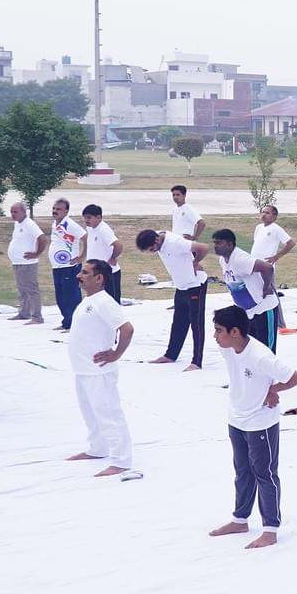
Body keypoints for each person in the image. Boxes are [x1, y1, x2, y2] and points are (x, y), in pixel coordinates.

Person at [207, 306, 297, 549]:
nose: (215, 336)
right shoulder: (228, 347)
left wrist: (273, 390)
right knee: (242, 471)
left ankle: (270, 528)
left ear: (235, 332)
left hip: (260, 422)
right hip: (236, 418)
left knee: (265, 474)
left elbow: (294, 377)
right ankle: (240, 519)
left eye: (219, 331)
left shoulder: (260, 355)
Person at [65, 258, 137, 477]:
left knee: (109, 414)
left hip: (99, 371)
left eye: (85, 273)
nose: (79, 276)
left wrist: (116, 354)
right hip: (83, 369)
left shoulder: (104, 302)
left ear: (99, 278)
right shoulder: (89, 300)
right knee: (91, 413)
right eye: (80, 272)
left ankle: (121, 460)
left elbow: (127, 329)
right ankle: (97, 448)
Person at [137, 228, 210, 370]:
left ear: (157, 240)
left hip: (195, 284)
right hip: (181, 285)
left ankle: (197, 361)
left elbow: (204, 248)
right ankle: (171, 355)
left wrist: (195, 262)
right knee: (178, 322)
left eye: (152, 249)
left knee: (196, 323)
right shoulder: (157, 236)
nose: (153, 252)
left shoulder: (175, 243)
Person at [212, 228, 281, 350]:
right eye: (214, 243)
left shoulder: (240, 259)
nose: (215, 246)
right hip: (248, 311)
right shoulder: (223, 260)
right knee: (251, 349)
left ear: (229, 244)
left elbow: (268, 267)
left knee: (266, 351)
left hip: (263, 307)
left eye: (218, 243)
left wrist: (266, 287)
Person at [5, 200, 47, 324]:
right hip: (17, 262)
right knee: (22, 289)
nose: (13, 214)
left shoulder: (29, 223)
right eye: (11, 212)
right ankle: (24, 313)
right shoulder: (18, 224)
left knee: (31, 289)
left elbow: (42, 238)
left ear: (24, 212)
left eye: (15, 212)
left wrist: (37, 253)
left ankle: (37, 316)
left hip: (27, 263)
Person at [47, 198, 85, 331]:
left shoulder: (70, 224)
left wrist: (81, 257)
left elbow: (86, 238)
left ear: (66, 211)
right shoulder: (55, 224)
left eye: (58, 209)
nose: (55, 211)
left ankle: (75, 324)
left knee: (71, 296)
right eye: (54, 208)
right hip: (57, 266)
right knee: (60, 295)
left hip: (69, 267)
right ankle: (66, 322)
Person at [80, 204, 122, 301]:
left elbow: (118, 245)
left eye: (89, 217)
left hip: (109, 273)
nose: (86, 220)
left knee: (111, 301)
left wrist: (112, 258)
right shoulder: (90, 228)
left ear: (99, 217)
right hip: (95, 273)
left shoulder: (104, 230)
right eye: (85, 217)